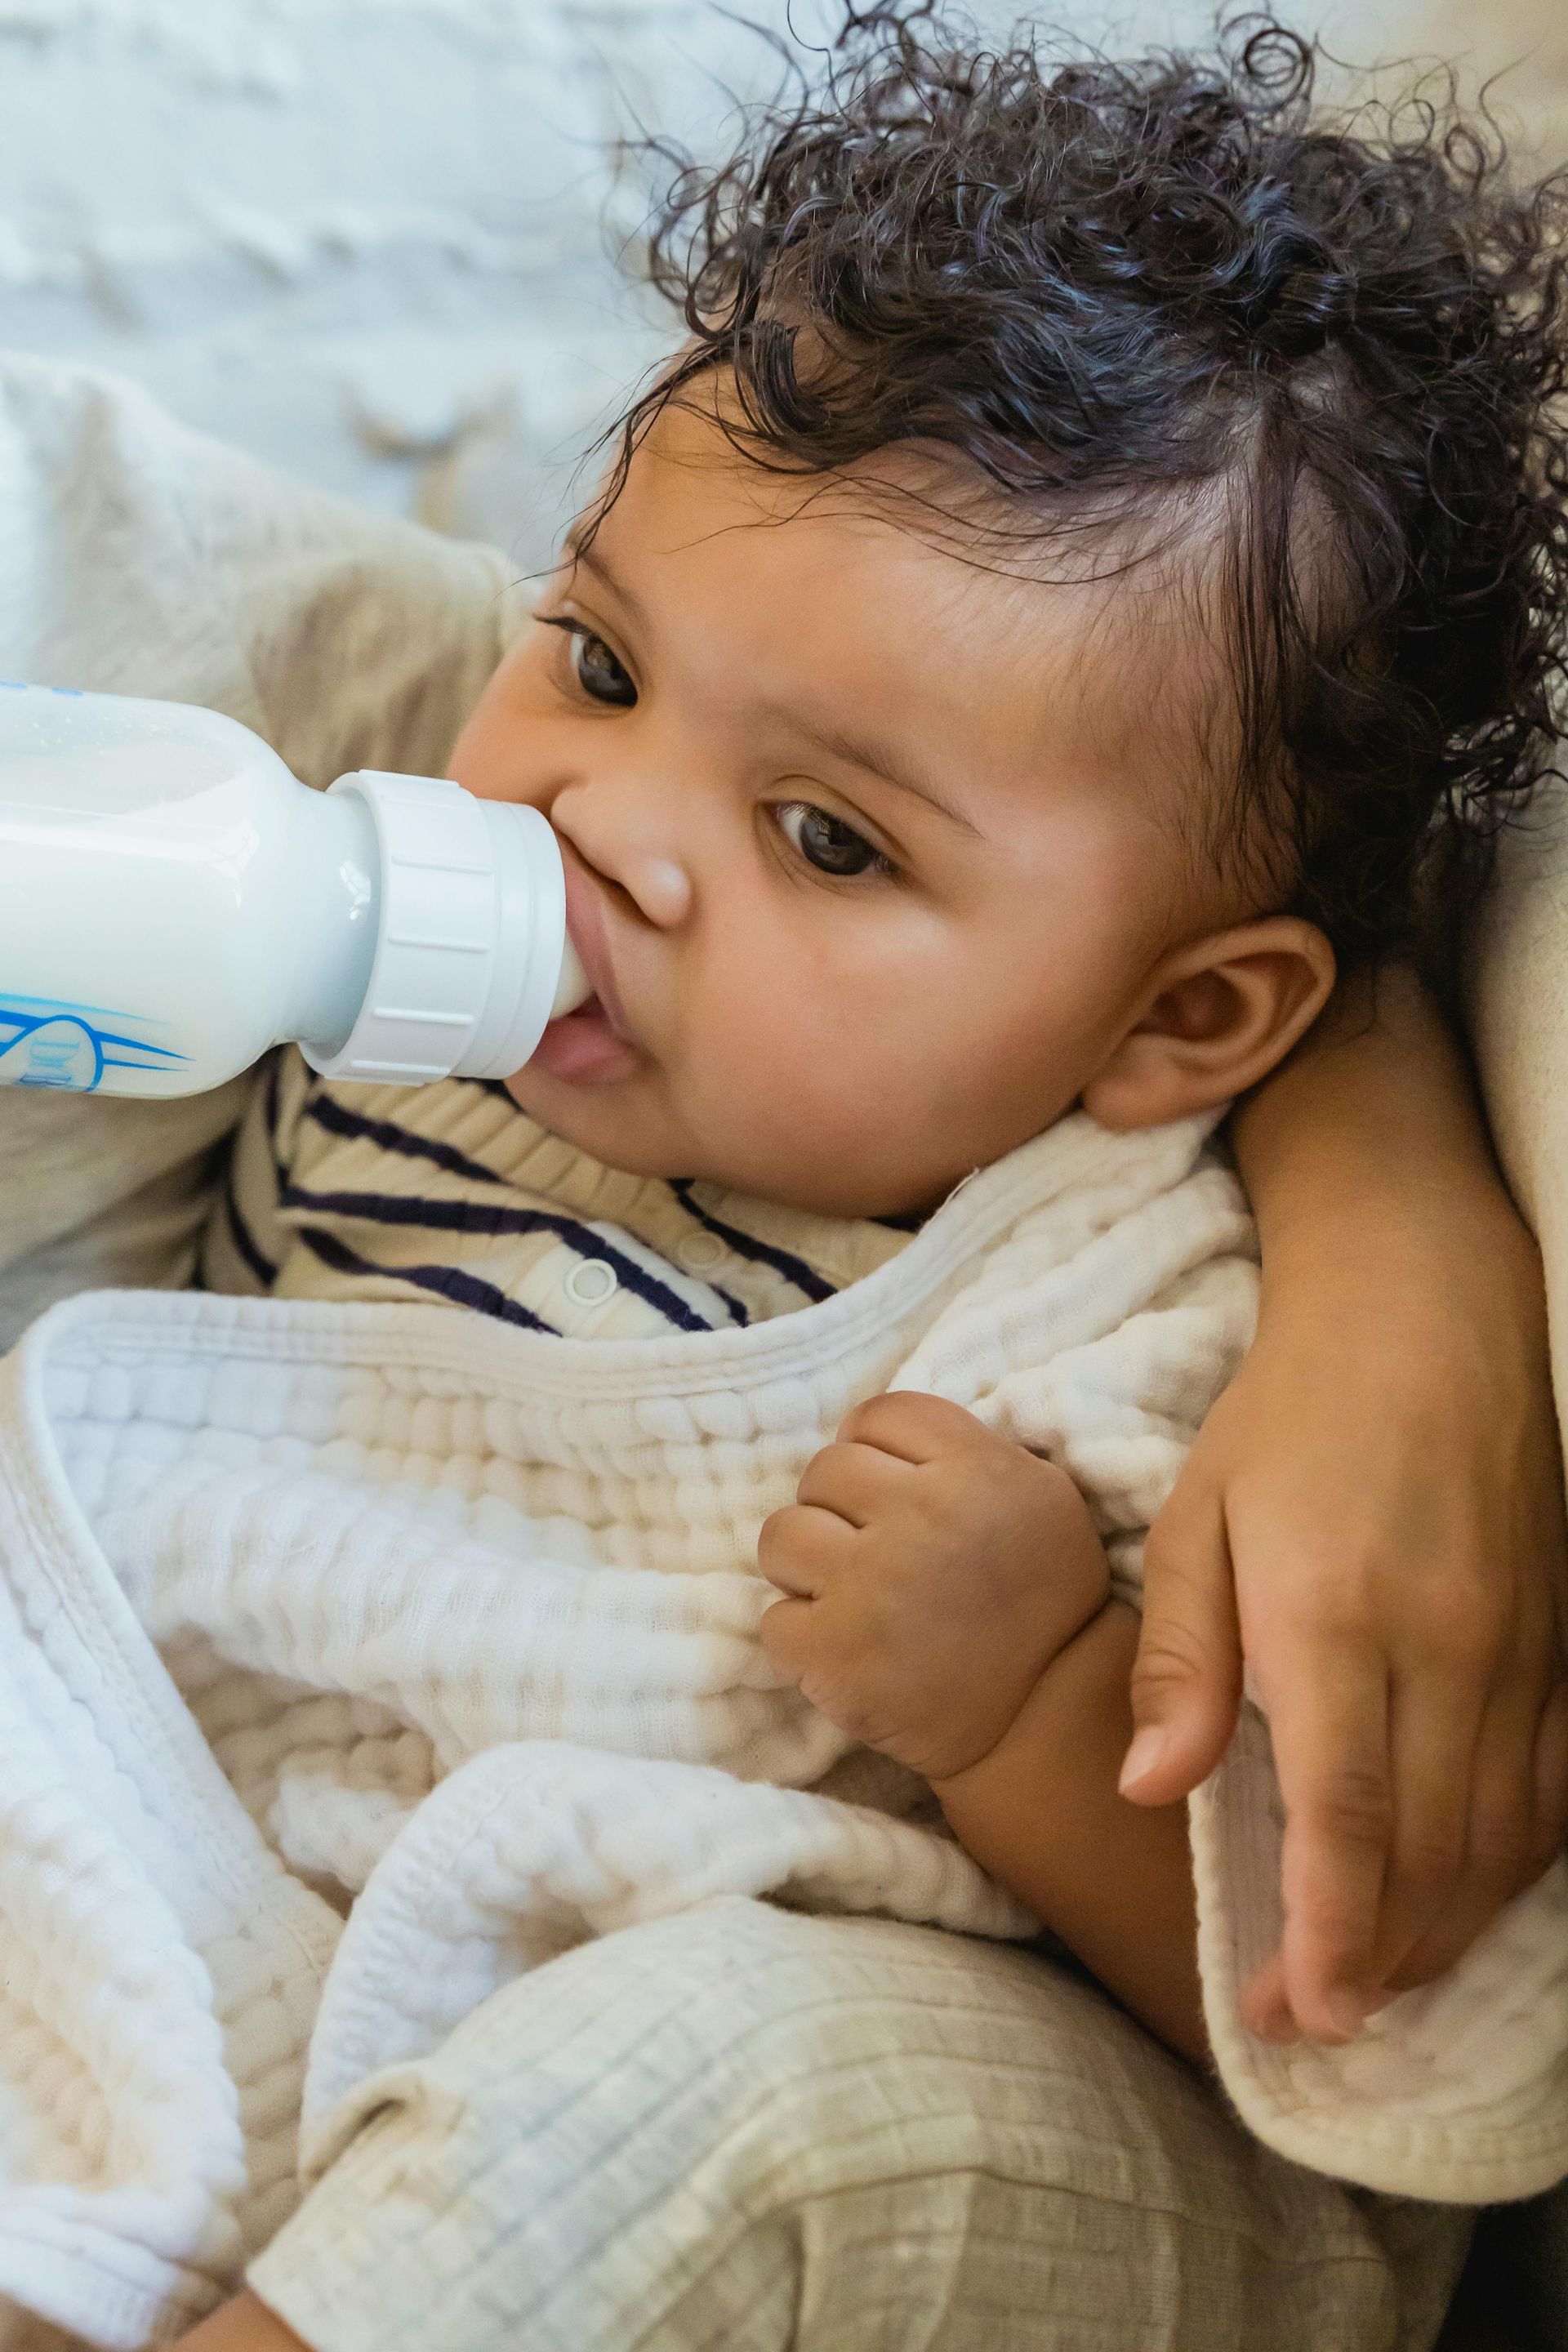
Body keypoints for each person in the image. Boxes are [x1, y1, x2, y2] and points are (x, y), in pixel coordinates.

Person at [0, 13, 1561, 2350]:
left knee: (682, 2087)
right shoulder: (360, 879)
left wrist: (1029, 1698)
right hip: (255, 1905)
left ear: (1172, 1023)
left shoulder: (1132, 1299)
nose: (599, 821)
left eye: (827, 837)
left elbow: (1348, 2043)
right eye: (604, 660)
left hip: (912, 2107)